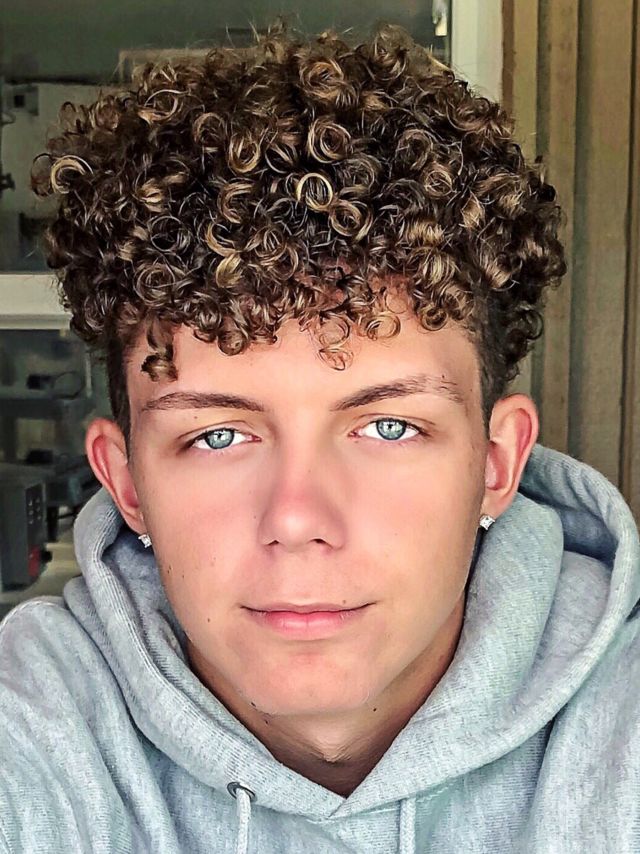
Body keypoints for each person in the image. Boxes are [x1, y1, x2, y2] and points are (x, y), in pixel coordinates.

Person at [1, 18, 639, 854]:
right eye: (218, 437)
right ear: (126, 485)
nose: (298, 518)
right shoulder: (35, 723)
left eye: (387, 426)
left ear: (496, 465)